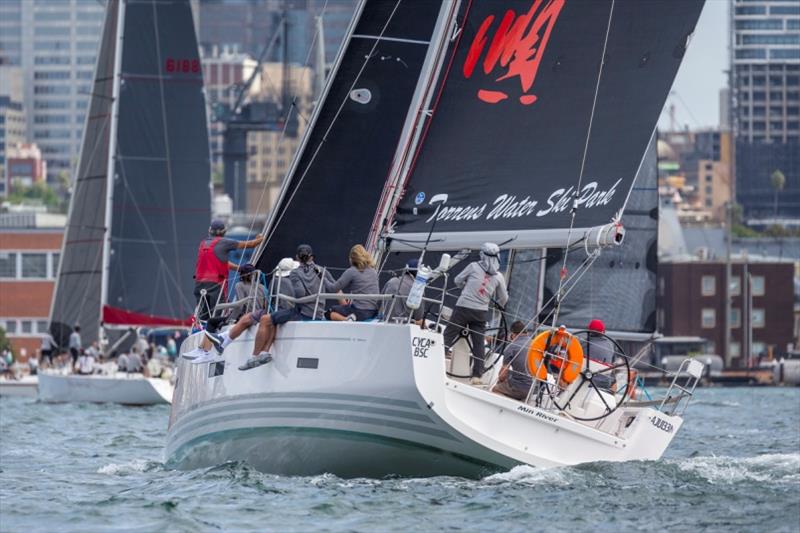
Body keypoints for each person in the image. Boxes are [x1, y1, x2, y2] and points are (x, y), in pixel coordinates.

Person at [443, 242, 509, 383]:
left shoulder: (473, 266)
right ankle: (477, 376)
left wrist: (465, 289)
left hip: (463, 308)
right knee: (478, 343)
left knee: (449, 335)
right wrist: (497, 306)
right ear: (497, 257)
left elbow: (457, 280)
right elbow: (504, 298)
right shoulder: (498, 277)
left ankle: (435, 360)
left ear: (482, 254)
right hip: (480, 313)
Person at [193, 219, 263, 321]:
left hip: (199, 284)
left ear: (209, 231)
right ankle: (214, 333)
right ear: (224, 232)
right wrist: (260, 239)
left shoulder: (203, 244)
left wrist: (239, 268)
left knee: (203, 316)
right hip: (215, 286)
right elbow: (250, 244)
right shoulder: (225, 242)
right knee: (217, 315)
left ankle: (201, 333)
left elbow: (221, 262)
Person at [324, 244, 380, 322]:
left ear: (352, 258)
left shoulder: (352, 271)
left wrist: (322, 278)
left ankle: (347, 319)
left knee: (329, 312)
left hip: (359, 312)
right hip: (373, 312)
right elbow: (337, 289)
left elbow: (333, 289)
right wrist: (328, 276)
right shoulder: (373, 272)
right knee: (343, 298)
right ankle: (350, 317)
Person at [492, 321, 533, 401]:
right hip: (534, 388)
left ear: (512, 334)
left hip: (520, 387)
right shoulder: (534, 343)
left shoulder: (511, 347)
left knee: (496, 389)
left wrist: (500, 380)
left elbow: (503, 374)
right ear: (526, 333)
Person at [381, 258, 425, 324]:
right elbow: (418, 316)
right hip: (404, 325)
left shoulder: (391, 281)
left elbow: (380, 301)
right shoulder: (418, 289)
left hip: (385, 321)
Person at [584, 319, 617, 390]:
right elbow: (612, 366)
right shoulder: (611, 344)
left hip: (586, 384)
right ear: (603, 332)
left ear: (588, 331)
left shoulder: (582, 344)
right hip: (605, 385)